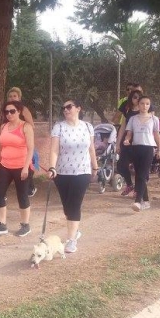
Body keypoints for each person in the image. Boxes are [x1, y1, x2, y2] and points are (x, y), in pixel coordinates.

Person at [47, 100, 98, 254]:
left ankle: (71, 240)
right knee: (67, 207)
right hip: (62, 173)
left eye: (69, 107)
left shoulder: (87, 127)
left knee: (74, 205)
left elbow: (91, 149)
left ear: (78, 109)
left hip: (82, 172)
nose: (66, 110)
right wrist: (52, 167)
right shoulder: (59, 127)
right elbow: (54, 150)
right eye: (63, 108)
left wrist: (95, 166)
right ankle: (75, 230)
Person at [0, 101, 34, 237]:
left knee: (22, 195)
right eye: (6, 112)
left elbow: (30, 148)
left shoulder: (26, 127)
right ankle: (2, 224)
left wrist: (26, 167)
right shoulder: (3, 126)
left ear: (19, 111)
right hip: (5, 166)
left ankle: (25, 225)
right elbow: (0, 148)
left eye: (12, 111)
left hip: (21, 166)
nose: (9, 114)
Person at [122, 96, 160, 211]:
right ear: (138, 105)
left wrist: (159, 149)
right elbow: (129, 133)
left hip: (148, 148)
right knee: (139, 175)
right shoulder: (133, 119)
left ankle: (138, 201)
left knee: (142, 175)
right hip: (136, 148)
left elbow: (156, 134)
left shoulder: (154, 119)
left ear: (150, 105)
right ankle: (146, 201)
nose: (145, 106)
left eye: (147, 104)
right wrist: (127, 140)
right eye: (142, 103)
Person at [7, 87, 39, 197]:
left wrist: (22, 132)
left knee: (27, 164)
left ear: (19, 98)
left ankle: (30, 188)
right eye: (10, 96)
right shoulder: (6, 111)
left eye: (14, 96)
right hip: (10, 143)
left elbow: (31, 126)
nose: (12, 98)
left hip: (23, 142)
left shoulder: (24, 110)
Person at [115, 90, 143, 196]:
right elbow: (123, 127)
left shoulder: (144, 111)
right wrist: (118, 143)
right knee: (121, 165)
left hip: (139, 141)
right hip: (127, 141)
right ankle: (129, 184)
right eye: (134, 97)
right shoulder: (128, 110)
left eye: (139, 97)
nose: (137, 99)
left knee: (138, 166)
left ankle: (138, 189)